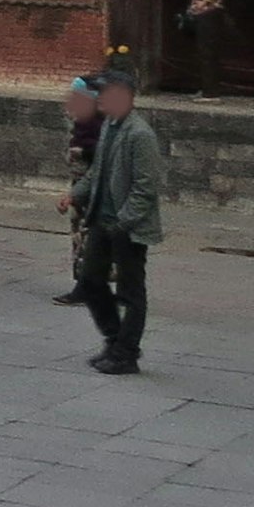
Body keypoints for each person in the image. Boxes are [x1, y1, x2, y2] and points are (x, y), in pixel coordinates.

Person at [77, 61, 166, 374]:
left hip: (129, 226)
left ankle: (126, 353)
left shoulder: (139, 134)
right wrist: (75, 194)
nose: (98, 99)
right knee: (90, 280)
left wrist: (125, 220)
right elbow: (97, 172)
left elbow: (147, 186)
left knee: (130, 291)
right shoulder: (109, 128)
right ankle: (114, 338)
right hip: (103, 220)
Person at [52, 73, 104, 305]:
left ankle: (86, 286)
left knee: (87, 234)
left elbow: (102, 154)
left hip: (90, 185)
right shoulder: (84, 117)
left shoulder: (96, 120)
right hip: (81, 183)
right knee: (82, 234)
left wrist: (80, 153)